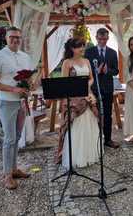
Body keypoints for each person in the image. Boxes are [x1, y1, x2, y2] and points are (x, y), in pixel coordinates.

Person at [0, 26, 33, 189]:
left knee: (18, 135)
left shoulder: (25, 57)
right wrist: (13, 89)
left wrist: (29, 86)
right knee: (9, 138)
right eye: (12, 37)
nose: (15, 40)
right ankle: (7, 176)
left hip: (21, 101)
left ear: (21, 39)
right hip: (6, 101)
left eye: (18, 37)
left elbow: (28, 77)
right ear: (6, 39)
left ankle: (14, 169)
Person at [56, 37, 100, 168]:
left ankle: (89, 154)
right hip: (74, 98)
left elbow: (91, 78)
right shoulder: (67, 63)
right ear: (71, 49)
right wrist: (78, 87)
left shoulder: (87, 61)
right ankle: (75, 156)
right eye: (78, 46)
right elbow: (64, 82)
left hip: (88, 94)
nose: (82, 49)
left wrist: (86, 85)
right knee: (75, 125)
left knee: (90, 122)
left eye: (82, 46)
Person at [85, 28, 120, 148]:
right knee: (94, 114)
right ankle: (96, 140)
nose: (102, 41)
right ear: (96, 38)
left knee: (108, 115)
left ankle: (108, 140)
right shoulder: (89, 52)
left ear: (108, 38)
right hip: (94, 89)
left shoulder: (112, 52)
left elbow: (116, 71)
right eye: (100, 39)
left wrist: (107, 71)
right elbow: (86, 72)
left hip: (108, 88)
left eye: (104, 39)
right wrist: (96, 71)